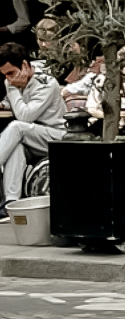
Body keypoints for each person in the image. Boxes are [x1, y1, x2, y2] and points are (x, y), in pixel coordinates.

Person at [0, 41, 66, 220]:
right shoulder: (13, 78)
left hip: (57, 136)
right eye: (5, 76)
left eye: (11, 73)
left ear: (24, 65)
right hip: (33, 136)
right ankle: (10, 203)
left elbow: (24, 115)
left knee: (16, 128)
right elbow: (14, 103)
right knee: (16, 146)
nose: (10, 79)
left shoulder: (46, 82)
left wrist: (12, 89)